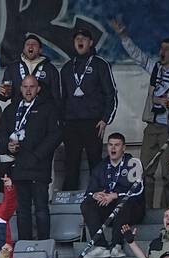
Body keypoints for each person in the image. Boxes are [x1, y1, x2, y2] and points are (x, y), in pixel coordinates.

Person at [113, 20, 169, 210]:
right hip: (152, 126)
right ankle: (145, 209)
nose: (163, 52)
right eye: (161, 48)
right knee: (144, 169)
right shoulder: (155, 69)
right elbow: (139, 57)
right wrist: (123, 37)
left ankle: (166, 211)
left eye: (167, 49)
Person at [59, 26, 119, 192]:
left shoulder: (100, 65)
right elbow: (62, 98)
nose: (80, 41)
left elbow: (111, 93)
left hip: (93, 121)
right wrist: (61, 122)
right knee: (71, 161)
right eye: (77, 39)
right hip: (71, 122)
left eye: (84, 39)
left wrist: (106, 119)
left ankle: (97, 194)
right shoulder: (66, 68)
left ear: (90, 42)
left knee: (95, 160)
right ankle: (68, 195)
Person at [2, 76, 63, 240]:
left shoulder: (48, 108)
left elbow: (55, 136)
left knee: (41, 208)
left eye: (32, 86)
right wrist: (8, 146)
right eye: (25, 86)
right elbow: (2, 134)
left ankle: (44, 244)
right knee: (22, 210)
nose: (28, 90)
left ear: (38, 89)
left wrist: (37, 156)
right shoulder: (11, 109)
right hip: (19, 167)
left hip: (39, 167)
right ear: (20, 88)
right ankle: (24, 245)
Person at [81, 134, 145, 258]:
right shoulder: (101, 167)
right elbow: (88, 193)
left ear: (124, 148)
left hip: (132, 210)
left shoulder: (133, 163)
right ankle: (101, 246)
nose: (113, 148)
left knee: (123, 200)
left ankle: (117, 245)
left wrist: (115, 195)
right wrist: (96, 195)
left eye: (117, 145)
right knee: (86, 204)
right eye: (110, 145)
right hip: (109, 211)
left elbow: (138, 190)